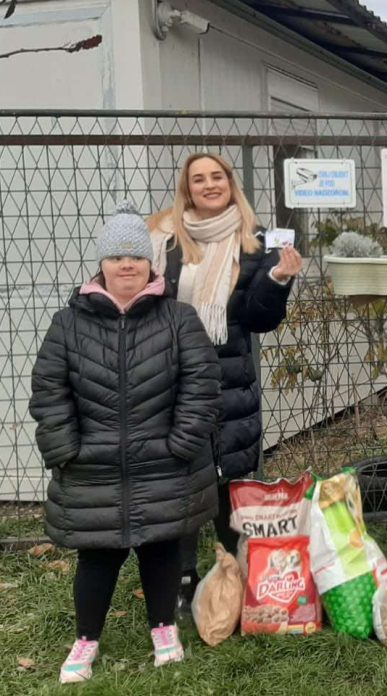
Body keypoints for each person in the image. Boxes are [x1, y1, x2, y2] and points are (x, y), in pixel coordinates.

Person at [30, 202, 222, 683]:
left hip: (165, 464)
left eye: (135, 257)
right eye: (117, 257)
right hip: (91, 466)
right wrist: (64, 450)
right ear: (103, 263)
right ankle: (86, 639)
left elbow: (201, 385)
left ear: (148, 263)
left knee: (161, 552)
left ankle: (163, 629)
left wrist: (182, 444)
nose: (127, 266)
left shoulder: (179, 319)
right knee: (97, 558)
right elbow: (49, 391)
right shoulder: (67, 324)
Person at [146, 152, 303, 610]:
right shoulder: (166, 238)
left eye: (217, 176)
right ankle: (182, 580)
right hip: (170, 375)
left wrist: (276, 279)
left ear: (230, 184)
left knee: (229, 477)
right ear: (187, 189)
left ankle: (235, 575)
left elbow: (258, 319)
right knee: (179, 476)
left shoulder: (253, 241)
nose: (209, 184)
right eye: (199, 179)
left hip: (227, 377)